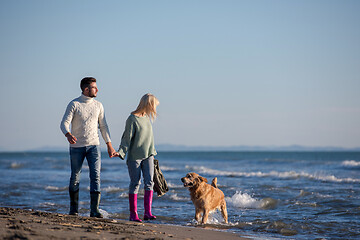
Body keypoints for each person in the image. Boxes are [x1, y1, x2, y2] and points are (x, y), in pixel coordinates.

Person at [60, 77, 116, 218]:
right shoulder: (74, 104)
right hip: (76, 147)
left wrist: (109, 145)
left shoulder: (98, 105)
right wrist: (68, 134)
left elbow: (103, 126)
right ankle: (74, 210)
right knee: (75, 177)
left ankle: (94, 210)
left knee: (95, 177)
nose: (97, 89)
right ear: (86, 89)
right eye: (94, 87)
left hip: (94, 146)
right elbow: (64, 123)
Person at [114, 93, 159, 222]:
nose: (154, 109)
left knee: (149, 182)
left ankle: (147, 213)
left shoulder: (147, 118)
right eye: (154, 106)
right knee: (135, 183)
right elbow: (126, 138)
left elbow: (148, 138)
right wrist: (121, 152)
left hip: (149, 155)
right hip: (135, 157)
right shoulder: (132, 119)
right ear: (148, 104)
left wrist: (153, 152)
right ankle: (133, 214)